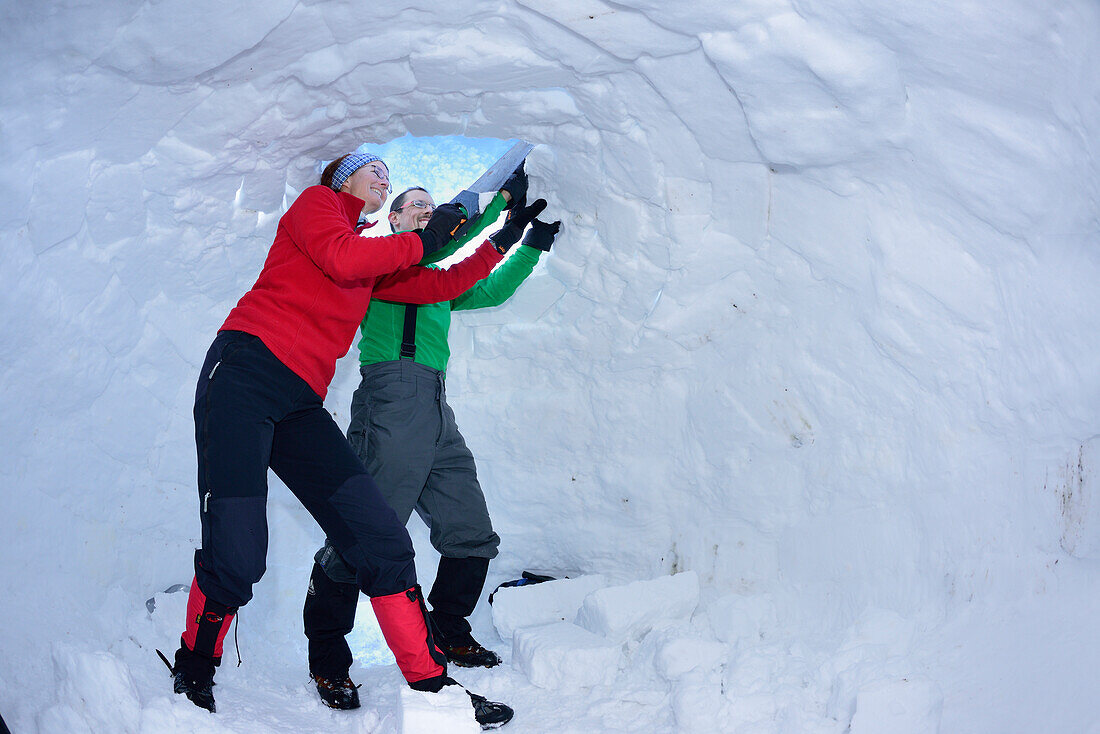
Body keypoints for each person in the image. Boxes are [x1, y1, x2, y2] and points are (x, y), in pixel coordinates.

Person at [168, 151, 547, 727]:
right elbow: (347, 257)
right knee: (239, 555)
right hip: (244, 373)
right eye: (376, 171)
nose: (385, 178)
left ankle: (430, 681)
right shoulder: (319, 208)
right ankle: (194, 668)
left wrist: (504, 224)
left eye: (389, 176)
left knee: (383, 540)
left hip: (300, 401)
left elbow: (443, 276)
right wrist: (448, 226)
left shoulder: (377, 259)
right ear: (344, 178)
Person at [302, 168, 561, 710]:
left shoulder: (440, 285)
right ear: (394, 218)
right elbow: (446, 242)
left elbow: (489, 289)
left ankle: (447, 628)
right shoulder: (379, 265)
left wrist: (532, 242)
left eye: (431, 204)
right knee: (364, 536)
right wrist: (498, 214)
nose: (426, 210)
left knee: (470, 529)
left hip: (437, 407)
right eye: (416, 205)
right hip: (390, 403)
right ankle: (328, 661)